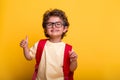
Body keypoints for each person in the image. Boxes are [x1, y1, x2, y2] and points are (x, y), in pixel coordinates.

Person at [20, 9, 78, 80]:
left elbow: (72, 69)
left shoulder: (68, 49)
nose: (54, 26)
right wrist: (25, 47)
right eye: (50, 24)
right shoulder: (40, 44)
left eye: (58, 24)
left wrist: (74, 60)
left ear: (65, 28)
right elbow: (28, 57)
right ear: (45, 29)